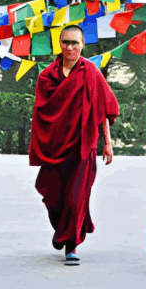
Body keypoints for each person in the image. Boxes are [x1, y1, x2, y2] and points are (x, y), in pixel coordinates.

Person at [29, 24, 119, 265]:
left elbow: (103, 110)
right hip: (54, 147)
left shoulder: (91, 72)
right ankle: (61, 231)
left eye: (75, 43)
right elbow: (41, 115)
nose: (70, 47)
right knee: (51, 195)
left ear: (82, 44)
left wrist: (107, 143)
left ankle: (71, 245)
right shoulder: (47, 76)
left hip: (83, 146)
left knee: (76, 198)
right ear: (59, 44)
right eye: (66, 42)